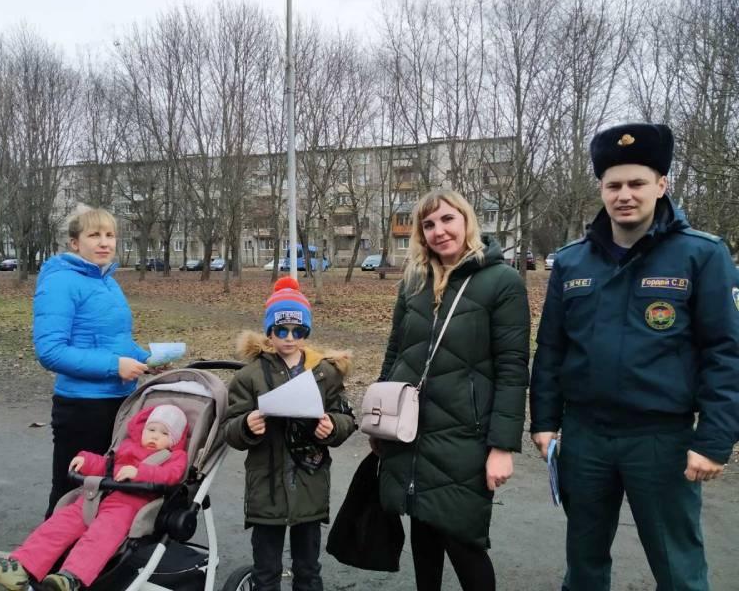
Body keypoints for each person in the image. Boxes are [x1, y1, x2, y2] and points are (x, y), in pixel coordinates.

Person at [530, 123, 739, 591]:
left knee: (678, 568)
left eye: (637, 183)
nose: (624, 195)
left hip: (660, 439)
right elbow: (552, 349)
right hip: (585, 437)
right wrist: (543, 420)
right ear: (601, 190)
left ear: (662, 185)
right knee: (583, 565)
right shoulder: (572, 261)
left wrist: (714, 440)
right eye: (614, 185)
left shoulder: (701, 255)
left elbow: (727, 353)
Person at [375, 189, 530, 591]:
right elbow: (395, 351)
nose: (439, 231)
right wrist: (380, 417)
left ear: (466, 221)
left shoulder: (502, 281)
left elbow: (513, 369)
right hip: (410, 429)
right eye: (428, 224)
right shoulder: (413, 281)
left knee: (463, 541)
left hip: (464, 435)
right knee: (423, 531)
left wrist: (502, 446)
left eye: (447, 219)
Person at [225, 277, 356, 591]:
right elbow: (230, 428)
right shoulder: (249, 376)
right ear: (269, 331)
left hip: (310, 485)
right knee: (266, 571)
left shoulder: (324, 372)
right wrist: (246, 426)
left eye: (298, 331)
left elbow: (346, 418)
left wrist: (332, 426)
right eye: (281, 330)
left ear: (306, 332)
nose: (289, 337)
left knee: (308, 570)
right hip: (266, 487)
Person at [0, 404, 189, 591]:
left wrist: (140, 472)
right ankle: (20, 567)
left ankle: (70, 578)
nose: (154, 436)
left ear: (175, 440)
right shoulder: (127, 447)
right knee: (59, 525)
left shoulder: (174, 457)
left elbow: (172, 475)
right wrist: (86, 460)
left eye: (164, 433)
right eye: (151, 430)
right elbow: (107, 465)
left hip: (129, 505)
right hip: (97, 496)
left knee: (100, 536)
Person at [33, 207, 150, 518]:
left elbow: (115, 341)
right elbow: (51, 351)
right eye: (94, 235)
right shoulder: (60, 282)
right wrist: (115, 366)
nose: (104, 242)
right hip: (82, 408)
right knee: (71, 493)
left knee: (106, 491)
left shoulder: (107, 282)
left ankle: (91, 550)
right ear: (75, 243)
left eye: (110, 235)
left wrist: (146, 358)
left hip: (119, 402)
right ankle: (49, 549)